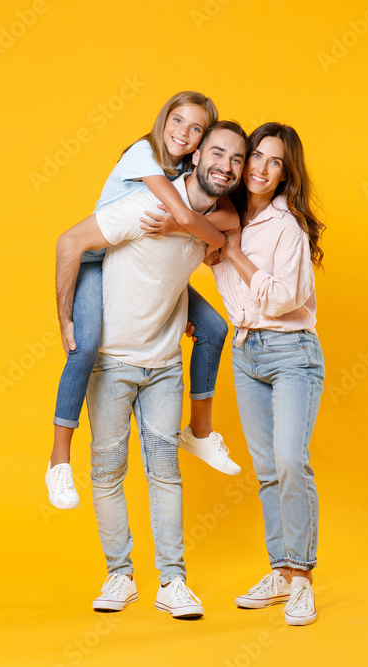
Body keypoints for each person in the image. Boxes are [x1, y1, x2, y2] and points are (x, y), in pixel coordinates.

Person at [54, 121, 248, 618]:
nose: (226, 166)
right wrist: (67, 318)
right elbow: (70, 242)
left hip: (164, 366)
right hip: (112, 364)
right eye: (217, 153)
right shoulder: (147, 204)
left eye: (236, 159)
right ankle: (119, 576)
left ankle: (173, 582)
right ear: (197, 154)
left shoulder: (221, 217)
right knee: (107, 472)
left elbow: (224, 229)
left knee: (165, 473)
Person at [45, 92, 243, 511]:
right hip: (97, 261)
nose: (183, 134)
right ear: (162, 120)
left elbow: (219, 219)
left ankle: (200, 432)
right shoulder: (144, 155)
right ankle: (59, 458)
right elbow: (190, 220)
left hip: (139, 262)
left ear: (201, 144)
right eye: (177, 121)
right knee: (84, 344)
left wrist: (192, 230)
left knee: (213, 329)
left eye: (195, 130)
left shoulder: (184, 171)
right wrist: (64, 318)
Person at [208, 122, 326, 626]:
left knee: (289, 461)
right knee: (264, 470)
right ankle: (279, 571)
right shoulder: (223, 216)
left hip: (293, 352)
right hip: (246, 353)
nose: (260, 169)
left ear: (285, 174)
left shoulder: (287, 228)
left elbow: (284, 299)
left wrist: (233, 253)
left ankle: (302, 579)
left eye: (275, 162)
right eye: (256, 156)